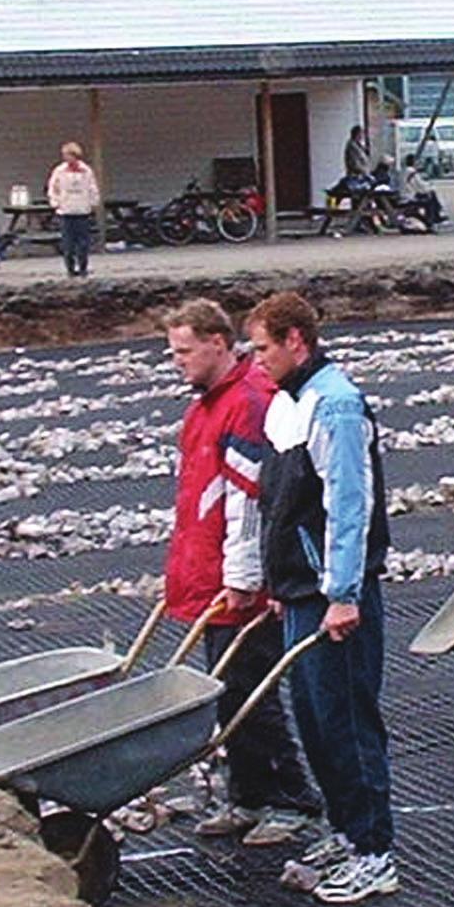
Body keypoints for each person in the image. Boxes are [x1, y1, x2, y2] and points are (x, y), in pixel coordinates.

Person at [247, 289, 397, 904]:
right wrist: (280, 582)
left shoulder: (334, 406)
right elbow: (283, 504)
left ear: (295, 342)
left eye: (262, 349)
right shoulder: (290, 405)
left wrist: (342, 591)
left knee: (347, 722)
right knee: (314, 719)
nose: (255, 361)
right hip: (301, 590)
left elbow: (347, 507)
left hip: (334, 596)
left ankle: (374, 850)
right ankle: (344, 827)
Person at [164, 299, 321, 843]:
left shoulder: (247, 405)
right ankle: (248, 794)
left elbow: (250, 502)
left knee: (250, 689)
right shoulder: (205, 406)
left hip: (242, 581)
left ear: (216, 343)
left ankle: (292, 798)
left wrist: (243, 577)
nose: (176, 361)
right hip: (212, 571)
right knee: (226, 692)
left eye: (184, 350)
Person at [46, 141, 100, 278]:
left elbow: (92, 187)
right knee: (68, 244)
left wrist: (93, 203)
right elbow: (53, 188)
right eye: (65, 155)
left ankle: (83, 268)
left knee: (83, 243)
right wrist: (55, 203)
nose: (66, 158)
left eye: (69, 155)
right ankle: (70, 269)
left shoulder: (86, 171)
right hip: (66, 211)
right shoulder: (59, 171)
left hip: (82, 211)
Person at [401, 153, 445, 231]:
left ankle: (436, 216)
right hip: (412, 196)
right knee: (431, 197)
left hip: (407, 194)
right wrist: (430, 187)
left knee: (431, 195)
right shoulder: (412, 172)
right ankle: (434, 217)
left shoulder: (405, 172)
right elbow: (420, 185)